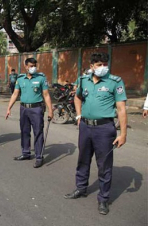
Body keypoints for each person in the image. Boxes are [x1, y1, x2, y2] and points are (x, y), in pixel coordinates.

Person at [64, 52, 128, 215]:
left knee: (104, 165)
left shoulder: (115, 81)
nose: (102, 67)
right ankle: (81, 188)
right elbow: (77, 98)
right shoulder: (83, 80)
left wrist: (123, 134)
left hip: (104, 129)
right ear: (91, 66)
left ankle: (103, 199)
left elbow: (121, 109)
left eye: (105, 64)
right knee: (83, 160)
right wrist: (78, 115)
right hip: (85, 126)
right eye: (99, 65)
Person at [5, 58, 53, 168]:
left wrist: (50, 110)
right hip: (24, 109)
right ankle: (25, 153)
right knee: (24, 131)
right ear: (26, 66)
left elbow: (46, 95)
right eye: (31, 66)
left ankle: (39, 157)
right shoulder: (20, 79)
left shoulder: (41, 78)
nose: (33, 68)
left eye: (34, 65)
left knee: (38, 132)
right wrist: (9, 108)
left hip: (36, 109)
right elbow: (15, 94)